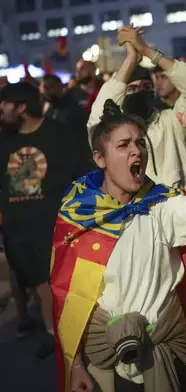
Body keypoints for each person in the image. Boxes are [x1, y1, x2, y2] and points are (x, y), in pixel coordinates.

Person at [51, 97, 186, 392]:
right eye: (124, 145)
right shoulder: (78, 215)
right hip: (103, 363)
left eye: (140, 143)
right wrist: (75, 364)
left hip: (164, 354)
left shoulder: (161, 204)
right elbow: (66, 298)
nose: (136, 150)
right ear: (100, 159)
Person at [0, 82, 92, 359]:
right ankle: (56, 338)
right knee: (40, 286)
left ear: (21, 107)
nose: (1, 110)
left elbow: (83, 176)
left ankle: (75, 341)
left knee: (60, 286)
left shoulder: (59, 135)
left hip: (57, 227)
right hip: (19, 232)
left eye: (4, 105)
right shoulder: (4, 141)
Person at [88, 25, 186, 196]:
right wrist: (130, 60)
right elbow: (96, 120)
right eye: (132, 88)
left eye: (146, 87)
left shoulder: (170, 120)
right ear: (122, 94)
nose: (139, 92)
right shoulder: (112, 131)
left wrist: (148, 51)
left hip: (181, 216)